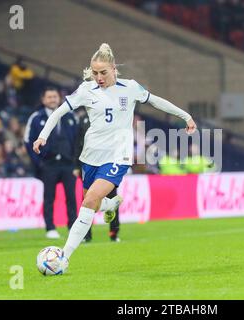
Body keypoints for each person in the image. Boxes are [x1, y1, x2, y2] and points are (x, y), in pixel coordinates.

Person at [33, 43, 197, 262]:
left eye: (103, 72)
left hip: (118, 156)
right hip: (90, 156)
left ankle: (64, 257)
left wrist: (185, 116)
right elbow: (58, 113)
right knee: (90, 201)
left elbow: (156, 101)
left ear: (114, 69)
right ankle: (110, 204)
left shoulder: (129, 87)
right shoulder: (86, 90)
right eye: (95, 73)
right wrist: (43, 135)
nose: (99, 77)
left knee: (89, 200)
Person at [24, 87, 78, 239]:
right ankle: (50, 228)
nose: (53, 99)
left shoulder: (70, 116)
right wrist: (39, 163)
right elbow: (28, 141)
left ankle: (73, 226)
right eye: (49, 97)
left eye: (55, 96)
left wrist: (76, 162)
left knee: (71, 197)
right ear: (43, 99)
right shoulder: (36, 117)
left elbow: (78, 141)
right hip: (48, 164)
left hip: (68, 164)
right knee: (49, 197)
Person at [73, 107, 121, 242]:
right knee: (87, 200)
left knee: (111, 196)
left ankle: (114, 232)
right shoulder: (82, 120)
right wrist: (76, 165)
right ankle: (86, 235)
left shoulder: (110, 117)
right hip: (88, 164)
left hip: (108, 163)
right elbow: (77, 144)